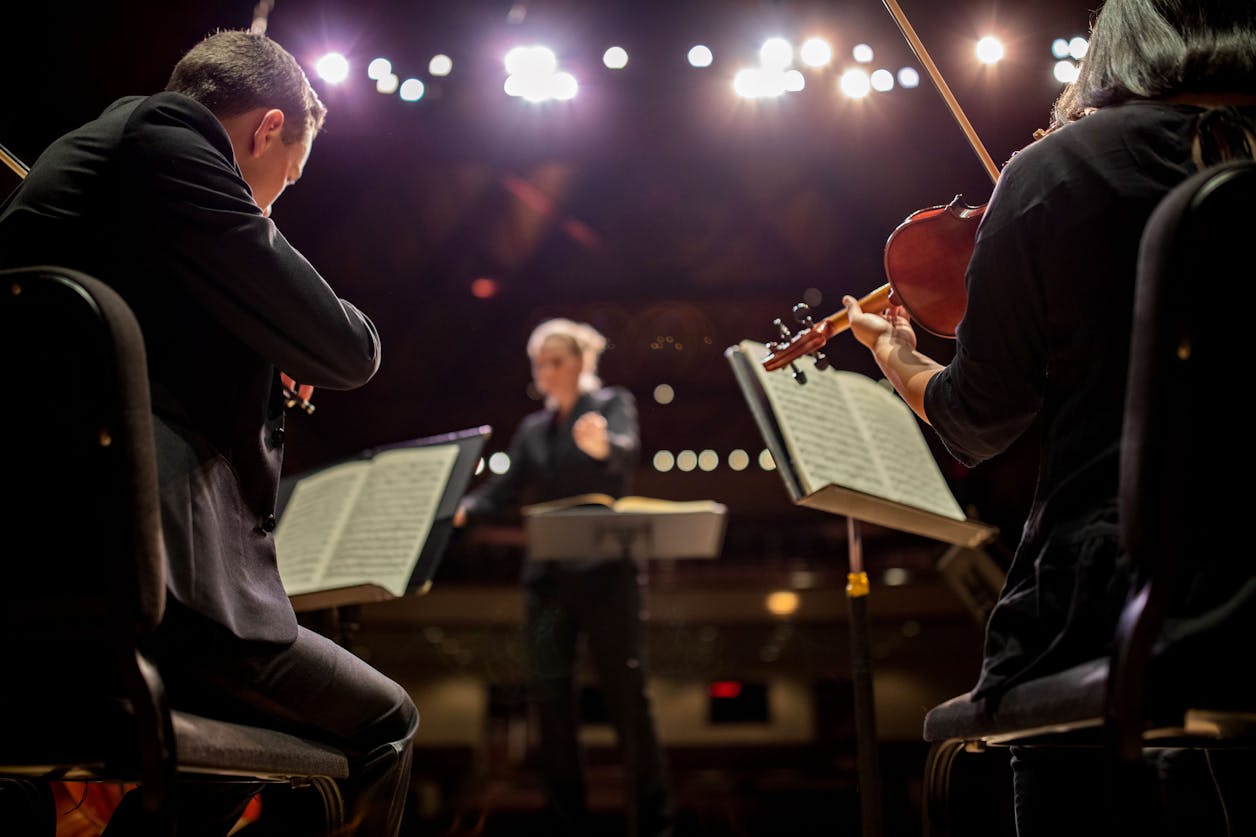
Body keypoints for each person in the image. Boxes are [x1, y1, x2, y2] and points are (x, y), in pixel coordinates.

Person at [840, 2, 1255, 835]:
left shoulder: (1057, 172)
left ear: (1116, 45)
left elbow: (978, 419)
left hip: (1125, 594)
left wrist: (898, 357)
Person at [0, 30, 418, 836]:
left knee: (245, 757)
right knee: (388, 723)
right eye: (281, 182)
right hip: (161, 603)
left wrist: (257, 337)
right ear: (267, 130)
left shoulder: (96, 157)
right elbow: (350, 349)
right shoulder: (166, 140)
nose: (267, 204)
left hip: (59, 573)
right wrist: (283, 323)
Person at [454, 318, 675, 837]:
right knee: (550, 706)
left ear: (581, 362)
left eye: (556, 361)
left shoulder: (611, 404)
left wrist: (601, 445)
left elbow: (623, 454)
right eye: (540, 363)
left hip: (607, 576)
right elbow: (503, 491)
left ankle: (656, 824)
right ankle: (565, 824)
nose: (546, 372)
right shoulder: (534, 429)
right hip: (548, 579)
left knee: (629, 701)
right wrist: (464, 509)